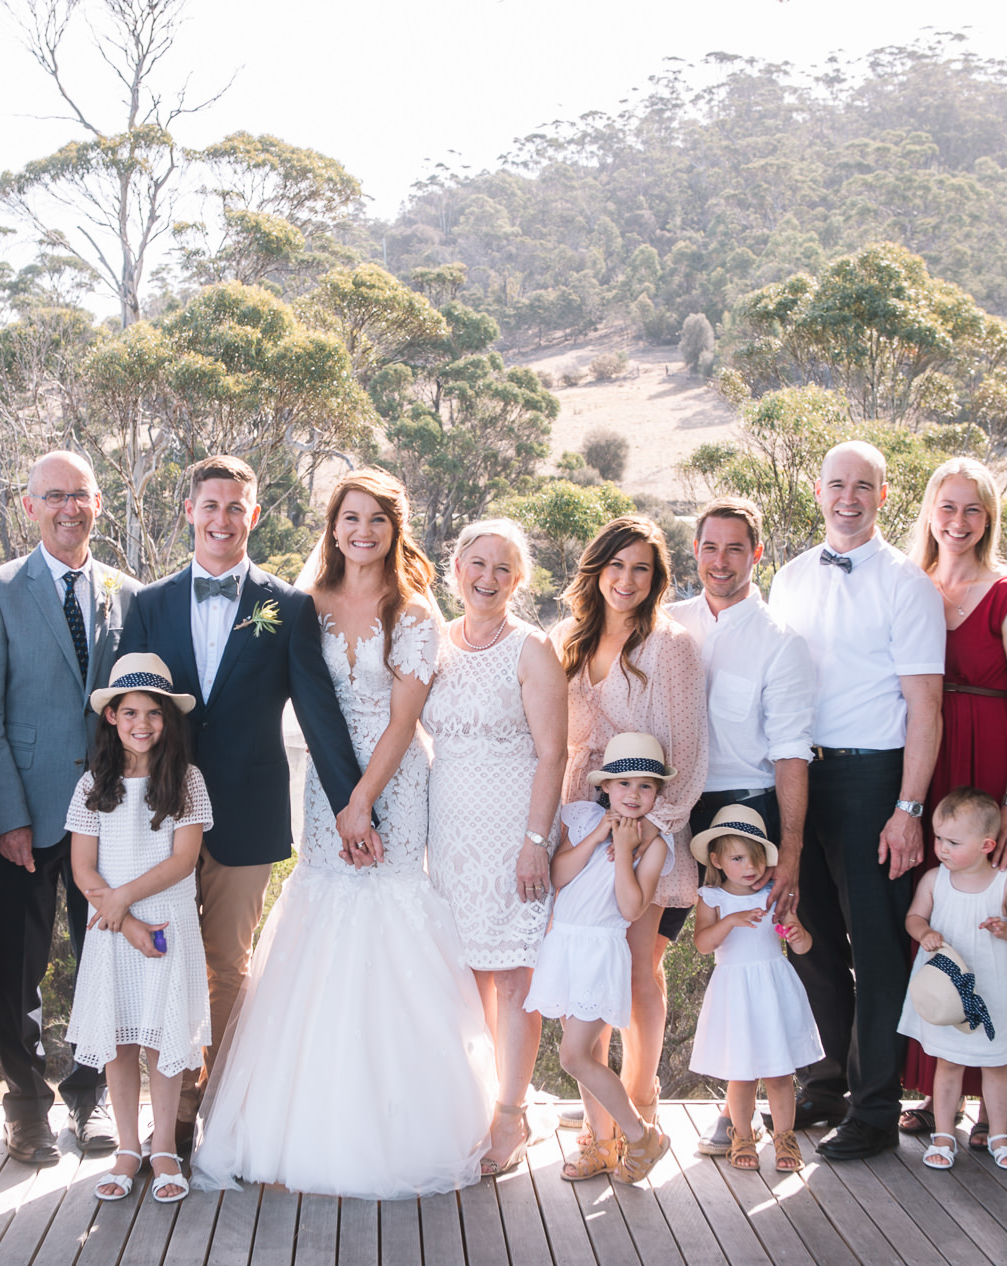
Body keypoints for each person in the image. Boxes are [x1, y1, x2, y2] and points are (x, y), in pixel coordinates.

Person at [190, 469, 495, 1199]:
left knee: (386, 913)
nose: (362, 532)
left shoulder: (413, 611)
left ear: (396, 531)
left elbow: (400, 720)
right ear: (332, 527)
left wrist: (361, 802)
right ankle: (290, 1118)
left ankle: (396, 1119)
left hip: (392, 781)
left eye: (377, 521)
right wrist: (336, 801)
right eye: (349, 518)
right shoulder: (304, 605)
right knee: (320, 910)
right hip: (321, 782)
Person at [116, 454, 371, 1161]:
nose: (222, 519)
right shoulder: (148, 603)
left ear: (254, 515)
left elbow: (318, 712)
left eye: (236, 507)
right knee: (159, 959)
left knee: (229, 962)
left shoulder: (287, 607)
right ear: (189, 512)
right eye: (210, 505)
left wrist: (355, 803)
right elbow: (124, 710)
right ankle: (159, 1120)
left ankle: (213, 1106)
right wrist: (112, 805)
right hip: (158, 819)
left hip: (247, 814)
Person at [769, 440, 945, 1160]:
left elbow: (925, 708)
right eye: (837, 484)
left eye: (863, 486)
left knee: (876, 948)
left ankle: (875, 1107)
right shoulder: (787, 577)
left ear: (882, 494)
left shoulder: (908, 585)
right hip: (795, 775)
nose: (849, 497)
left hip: (874, 778)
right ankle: (830, 1076)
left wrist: (909, 808)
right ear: (818, 491)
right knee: (806, 935)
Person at [0, 452, 133, 1165]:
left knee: (101, 965)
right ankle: (25, 1107)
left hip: (110, 815)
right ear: (28, 506)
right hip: (23, 814)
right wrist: (5, 816)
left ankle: (90, 1102)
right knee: (17, 971)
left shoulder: (128, 591)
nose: (69, 507)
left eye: (81, 495)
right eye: (53, 495)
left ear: (98, 503)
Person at [897, 457, 1007, 1145]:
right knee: (934, 921)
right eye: (947, 507)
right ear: (930, 511)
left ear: (989, 518)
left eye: (973, 510)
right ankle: (930, 1092)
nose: (958, 522)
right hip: (923, 763)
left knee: (993, 928)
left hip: (989, 767)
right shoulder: (909, 584)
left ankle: (999, 1103)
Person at [552, 515, 707, 1139]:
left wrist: (649, 834)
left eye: (641, 568)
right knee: (590, 967)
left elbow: (689, 752)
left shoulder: (671, 648)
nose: (627, 579)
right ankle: (603, 1111)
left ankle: (640, 1104)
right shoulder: (567, 638)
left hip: (645, 833)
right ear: (596, 571)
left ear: (657, 578)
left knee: (640, 968)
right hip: (581, 825)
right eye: (616, 565)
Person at [669, 496, 815, 1156]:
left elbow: (790, 751)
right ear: (694, 551)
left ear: (757, 554)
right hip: (672, 807)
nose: (720, 560)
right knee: (661, 947)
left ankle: (746, 1117)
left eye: (735, 548)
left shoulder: (780, 642)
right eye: (709, 546)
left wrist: (789, 849)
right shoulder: (668, 626)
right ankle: (635, 1102)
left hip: (745, 811)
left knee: (755, 957)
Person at [422, 518, 567, 1178]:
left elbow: (553, 752)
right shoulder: (435, 644)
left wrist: (537, 841)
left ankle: (512, 1114)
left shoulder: (531, 649)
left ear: (519, 579)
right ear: (455, 570)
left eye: (502, 567)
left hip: (515, 832)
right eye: (476, 564)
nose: (486, 577)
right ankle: (477, 1101)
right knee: (468, 977)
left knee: (513, 979)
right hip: (450, 836)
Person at [63, 655, 213, 1204]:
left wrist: (126, 900)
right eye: (130, 712)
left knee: (163, 1037)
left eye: (154, 713)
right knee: (120, 1039)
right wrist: (124, 920)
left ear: (168, 720)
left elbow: (183, 860)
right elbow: (83, 869)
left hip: (167, 928)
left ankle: (165, 1147)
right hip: (114, 934)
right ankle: (128, 1147)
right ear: (111, 717)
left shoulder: (186, 782)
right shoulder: (92, 785)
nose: (142, 723)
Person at [526, 733, 674, 1186]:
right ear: (605, 787)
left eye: (645, 786)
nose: (633, 794)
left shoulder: (655, 845)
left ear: (657, 794)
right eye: (623, 784)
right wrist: (598, 836)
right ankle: (605, 1145)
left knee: (573, 1055)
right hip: (566, 947)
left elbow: (632, 908)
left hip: (600, 951)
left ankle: (642, 1135)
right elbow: (558, 876)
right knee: (588, 1052)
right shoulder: (585, 818)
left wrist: (626, 852)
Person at [897, 788, 1007, 1172]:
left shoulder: (1005, 883)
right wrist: (924, 932)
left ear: (986, 845)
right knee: (948, 1063)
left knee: (996, 1065)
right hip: (948, 992)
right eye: (938, 839)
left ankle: (999, 1133)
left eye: (953, 842)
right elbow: (914, 917)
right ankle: (943, 1135)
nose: (942, 848)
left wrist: (1004, 929)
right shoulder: (934, 879)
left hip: (994, 989)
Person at [687, 804, 820, 1176]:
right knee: (742, 1073)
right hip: (736, 991)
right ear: (716, 859)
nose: (750, 867)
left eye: (757, 858)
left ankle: (784, 1136)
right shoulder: (713, 899)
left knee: (779, 1073)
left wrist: (797, 934)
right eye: (739, 857)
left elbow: (803, 946)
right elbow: (702, 943)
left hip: (773, 988)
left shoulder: (773, 895)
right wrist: (730, 920)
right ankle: (742, 1135)